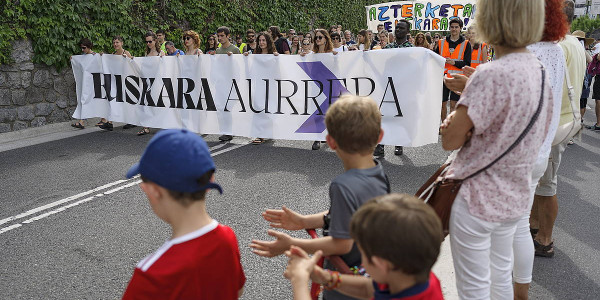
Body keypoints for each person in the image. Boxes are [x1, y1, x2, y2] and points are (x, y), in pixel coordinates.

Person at [440, 0, 553, 298]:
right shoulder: (540, 70)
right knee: (501, 274)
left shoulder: (490, 74)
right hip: (514, 192)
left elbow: (450, 140)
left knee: (474, 286)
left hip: (477, 196)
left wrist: (453, 116)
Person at [250, 95, 390, 300]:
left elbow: (342, 244)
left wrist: (291, 243)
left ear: (331, 142)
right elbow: (357, 215)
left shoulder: (343, 185)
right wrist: (304, 221)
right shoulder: (379, 173)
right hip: (370, 276)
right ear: (379, 136)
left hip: (345, 284)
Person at [121, 129, 245, 299]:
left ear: (152, 191)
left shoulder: (151, 274)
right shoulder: (227, 237)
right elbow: (237, 290)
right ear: (211, 180)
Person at [283, 194, 444, 300]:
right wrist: (325, 277)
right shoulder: (416, 278)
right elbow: (370, 289)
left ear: (381, 264)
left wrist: (299, 281)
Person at [515, 1, 568, 298]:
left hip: (518, 148)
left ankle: (508, 286)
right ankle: (520, 289)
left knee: (504, 227)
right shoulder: (554, 48)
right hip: (540, 146)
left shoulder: (531, 51)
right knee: (520, 224)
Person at [530, 0, 587, 260]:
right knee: (543, 181)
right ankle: (533, 227)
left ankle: (545, 239)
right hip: (567, 119)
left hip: (552, 124)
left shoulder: (556, 46)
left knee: (546, 185)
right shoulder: (575, 43)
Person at [374, 20, 414, 158]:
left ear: (407, 32)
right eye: (397, 28)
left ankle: (399, 143)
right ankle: (380, 145)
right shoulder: (388, 47)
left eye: (402, 28)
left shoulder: (411, 48)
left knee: (399, 116)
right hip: (387, 85)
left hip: (402, 86)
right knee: (383, 116)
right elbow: (377, 60)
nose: (398, 30)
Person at [244, 32, 279, 145]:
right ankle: (260, 133)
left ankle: (267, 133)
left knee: (269, 108)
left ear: (268, 42)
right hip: (259, 85)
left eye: (264, 40)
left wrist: (277, 59)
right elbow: (251, 71)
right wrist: (246, 60)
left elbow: (278, 72)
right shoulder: (256, 55)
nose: (261, 42)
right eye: (260, 40)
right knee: (258, 108)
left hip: (270, 86)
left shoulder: (274, 55)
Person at [435, 19, 472, 122]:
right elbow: (435, 59)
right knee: (442, 104)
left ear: (460, 28)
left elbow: (467, 63)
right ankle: (443, 125)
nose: (454, 29)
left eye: (456, 27)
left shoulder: (466, 44)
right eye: (452, 27)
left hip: (458, 78)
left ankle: (451, 126)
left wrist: (454, 63)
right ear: (449, 28)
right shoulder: (441, 42)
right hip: (443, 78)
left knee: (453, 104)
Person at [307, 29, 336, 151]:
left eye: (320, 37)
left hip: (329, 86)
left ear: (325, 39)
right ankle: (317, 138)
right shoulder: (312, 55)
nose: (317, 40)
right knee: (317, 111)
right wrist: (303, 56)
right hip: (316, 86)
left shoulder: (332, 54)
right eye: (316, 38)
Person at [99, 36, 134, 131]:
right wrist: (103, 57)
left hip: (125, 81)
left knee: (126, 101)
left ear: (122, 43)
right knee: (113, 100)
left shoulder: (126, 53)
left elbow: (132, 65)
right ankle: (109, 122)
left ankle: (131, 120)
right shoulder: (113, 54)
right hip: (115, 81)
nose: (115, 44)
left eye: (117, 42)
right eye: (114, 42)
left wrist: (126, 59)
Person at [213, 26, 241, 142]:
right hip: (221, 83)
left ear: (228, 36)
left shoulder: (234, 49)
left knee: (228, 108)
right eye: (218, 36)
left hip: (231, 83)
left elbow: (240, 67)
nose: (220, 38)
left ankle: (229, 131)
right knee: (220, 107)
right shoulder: (218, 50)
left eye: (222, 36)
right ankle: (224, 130)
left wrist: (233, 59)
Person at [137, 31, 165, 136]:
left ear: (155, 41)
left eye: (150, 41)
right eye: (146, 42)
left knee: (159, 104)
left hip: (158, 82)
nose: (148, 44)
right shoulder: (146, 54)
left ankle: (163, 124)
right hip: (147, 82)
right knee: (145, 103)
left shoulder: (161, 53)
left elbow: (166, 67)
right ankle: (146, 127)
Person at [71, 38, 96, 130]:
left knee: (93, 100)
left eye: (84, 48)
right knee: (84, 99)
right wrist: (74, 60)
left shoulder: (94, 56)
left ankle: (105, 120)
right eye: (81, 48)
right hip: (86, 84)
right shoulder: (83, 56)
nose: (82, 50)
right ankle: (81, 121)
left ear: (89, 47)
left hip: (93, 83)